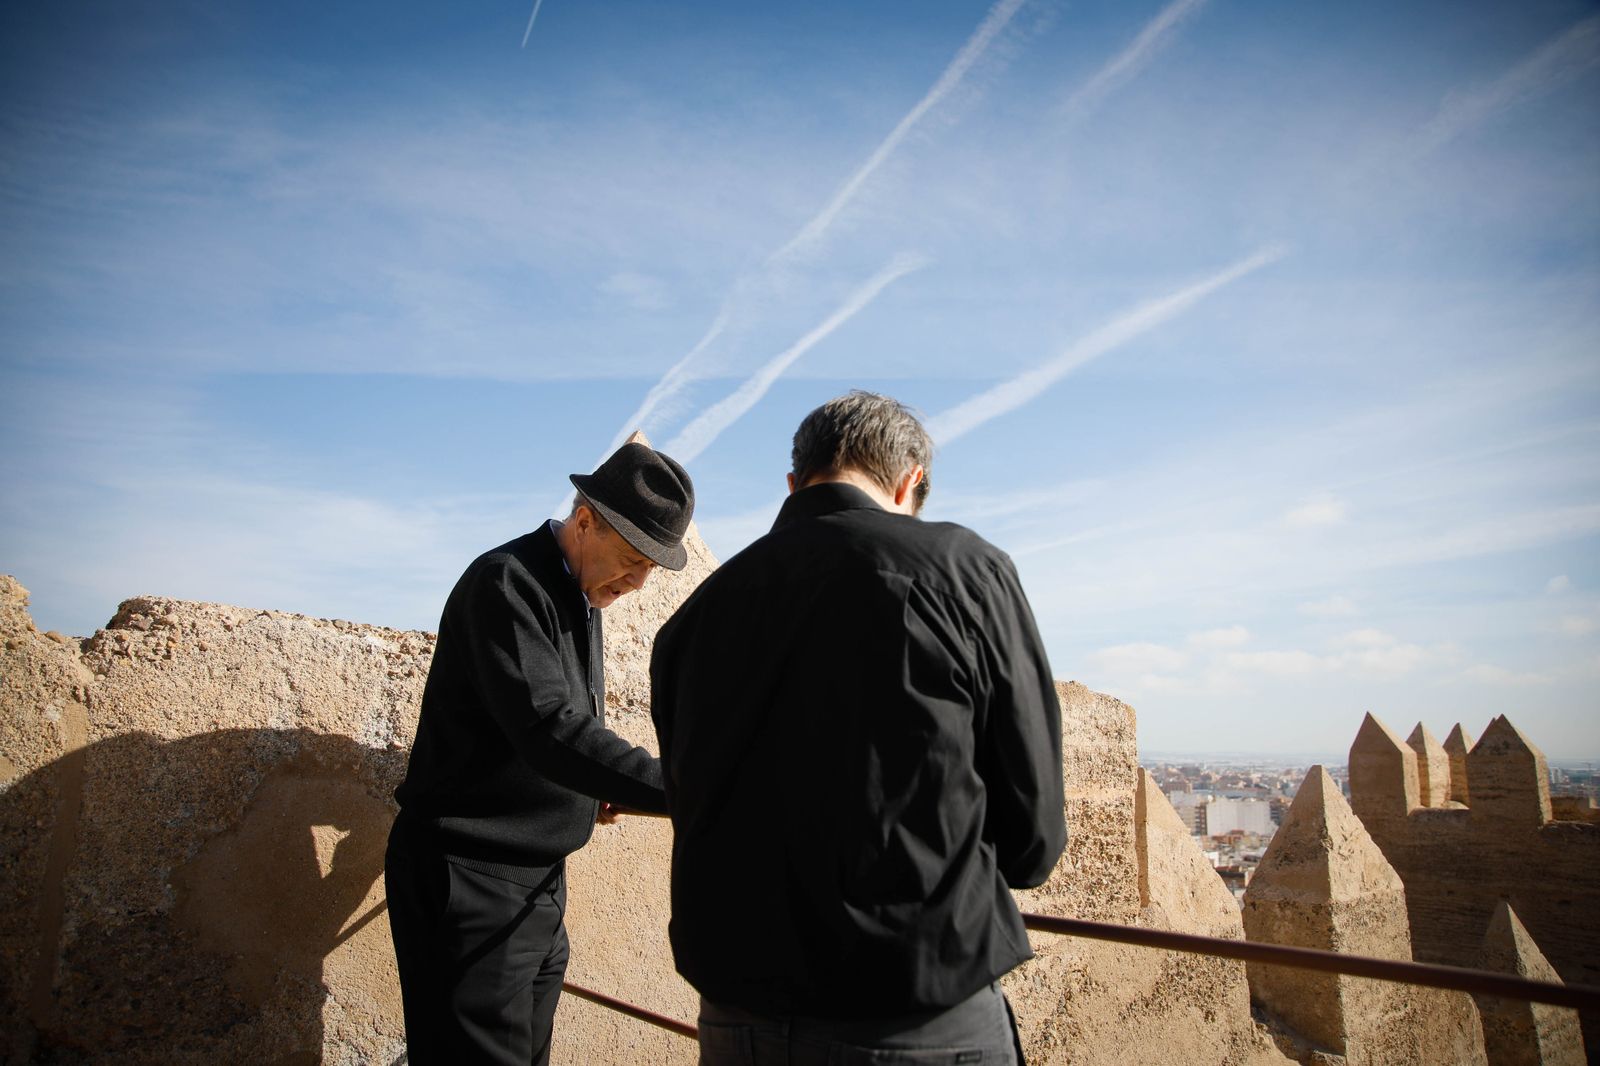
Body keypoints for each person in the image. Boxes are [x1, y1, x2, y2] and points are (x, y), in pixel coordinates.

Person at [650, 391, 1066, 1066]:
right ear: (908, 481)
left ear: (794, 483)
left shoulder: (693, 619)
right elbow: (1032, 842)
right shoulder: (964, 569)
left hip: (736, 1022)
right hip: (913, 1018)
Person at [386, 440, 695, 1066]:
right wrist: (691, 788)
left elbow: (556, 721)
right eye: (632, 559)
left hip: (537, 887)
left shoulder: (578, 587)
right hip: (469, 881)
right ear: (584, 521)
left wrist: (589, 791)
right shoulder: (507, 584)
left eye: (650, 569)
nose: (637, 583)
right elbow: (550, 729)